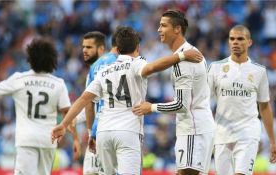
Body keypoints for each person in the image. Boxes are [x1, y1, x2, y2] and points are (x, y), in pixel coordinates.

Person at [51, 26, 203, 175]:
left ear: (116, 48)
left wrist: (64, 124)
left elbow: (84, 99)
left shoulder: (104, 71)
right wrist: (181, 56)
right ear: (137, 47)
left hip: (104, 133)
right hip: (128, 131)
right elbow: (151, 68)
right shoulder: (136, 62)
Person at [132, 10, 214, 175]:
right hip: (196, 126)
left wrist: (151, 108)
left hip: (193, 129)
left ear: (177, 29)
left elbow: (181, 105)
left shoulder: (184, 61)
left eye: (163, 25)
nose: (158, 30)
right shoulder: (187, 54)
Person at [0, 38, 79, 175]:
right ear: (52, 60)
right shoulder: (58, 84)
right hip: (48, 140)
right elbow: (68, 113)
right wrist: (74, 138)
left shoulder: (19, 79)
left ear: (30, 58)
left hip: (26, 140)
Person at [207, 25, 276, 175]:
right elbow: (203, 101)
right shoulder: (215, 68)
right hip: (222, 132)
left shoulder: (259, 71)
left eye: (240, 39)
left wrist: (272, 142)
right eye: (232, 39)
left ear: (249, 42)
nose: (235, 42)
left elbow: (264, 107)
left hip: (248, 132)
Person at [76, 31, 118, 175]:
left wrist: (90, 134)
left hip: (99, 132)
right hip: (112, 130)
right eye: (83, 47)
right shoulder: (116, 63)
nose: (84, 51)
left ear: (101, 49)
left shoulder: (96, 69)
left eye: (89, 47)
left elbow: (89, 104)